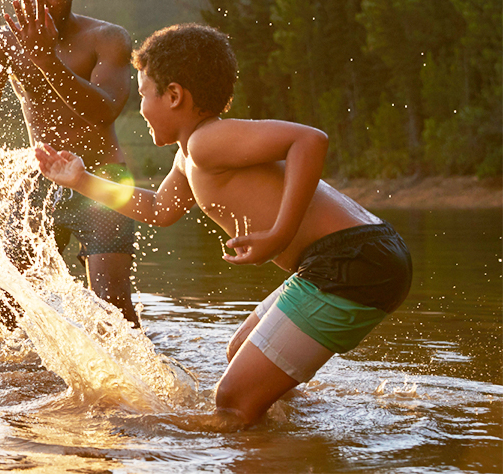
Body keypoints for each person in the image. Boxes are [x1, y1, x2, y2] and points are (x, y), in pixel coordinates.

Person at [33, 23, 412, 430]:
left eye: (144, 94)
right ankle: (296, 436)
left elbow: (309, 140)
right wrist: (80, 179)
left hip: (350, 261)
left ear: (174, 95)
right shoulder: (189, 157)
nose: (139, 108)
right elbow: (160, 209)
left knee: (230, 402)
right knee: (239, 353)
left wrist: (279, 234)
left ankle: (245, 434)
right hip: (356, 257)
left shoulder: (208, 141)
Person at [0, 0, 139, 328]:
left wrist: (45, 59)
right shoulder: (10, 42)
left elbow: (105, 109)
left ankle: (139, 387)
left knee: (114, 311)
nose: (40, 1)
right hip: (39, 182)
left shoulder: (107, 38)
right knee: (9, 310)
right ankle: (20, 385)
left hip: (103, 180)